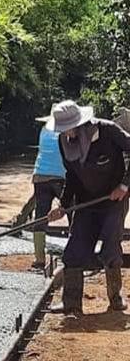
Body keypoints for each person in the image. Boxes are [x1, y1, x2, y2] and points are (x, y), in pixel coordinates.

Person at [47, 100, 130, 316]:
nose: (66, 135)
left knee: (110, 248)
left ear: (81, 124)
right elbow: (72, 176)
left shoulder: (108, 131)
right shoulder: (64, 142)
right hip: (86, 203)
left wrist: (124, 185)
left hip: (114, 200)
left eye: (68, 130)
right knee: (74, 251)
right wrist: (62, 205)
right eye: (62, 131)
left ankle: (115, 297)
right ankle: (71, 303)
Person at [30, 115, 66, 270]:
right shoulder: (66, 132)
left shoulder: (44, 130)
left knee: (41, 215)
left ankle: (39, 259)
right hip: (61, 176)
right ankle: (74, 253)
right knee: (71, 211)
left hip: (40, 176)